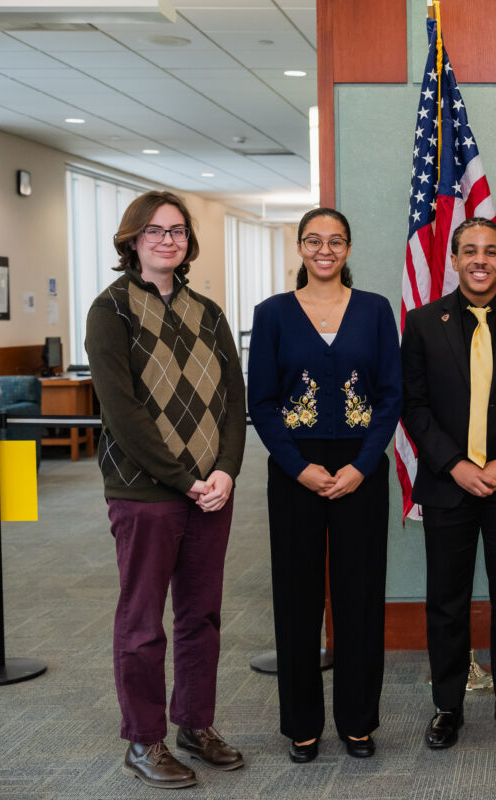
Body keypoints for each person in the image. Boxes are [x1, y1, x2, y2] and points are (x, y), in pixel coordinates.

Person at [86, 190, 246, 789]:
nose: (167, 241)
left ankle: (193, 725)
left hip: (211, 493)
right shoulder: (111, 310)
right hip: (145, 493)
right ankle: (144, 738)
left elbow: (234, 399)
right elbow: (123, 414)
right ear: (132, 241)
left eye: (177, 232)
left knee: (202, 616)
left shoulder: (208, 312)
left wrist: (226, 470)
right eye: (154, 231)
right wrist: (185, 478)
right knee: (143, 621)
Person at [248, 207, 401, 763]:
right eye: (313, 240)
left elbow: (390, 397)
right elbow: (261, 403)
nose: (324, 250)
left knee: (360, 598)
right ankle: (302, 725)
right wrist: (298, 466)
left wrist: (363, 464)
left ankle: (358, 721)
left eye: (335, 241)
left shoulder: (376, 311)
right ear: (300, 248)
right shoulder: (273, 315)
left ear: (349, 248)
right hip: (296, 469)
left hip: (361, 467)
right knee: (297, 598)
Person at [401, 217, 496, 750]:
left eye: (491, 250)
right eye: (470, 250)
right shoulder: (422, 322)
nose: (480, 259)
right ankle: (447, 705)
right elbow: (414, 407)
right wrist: (454, 464)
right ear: (455, 259)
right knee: (447, 600)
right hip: (449, 485)